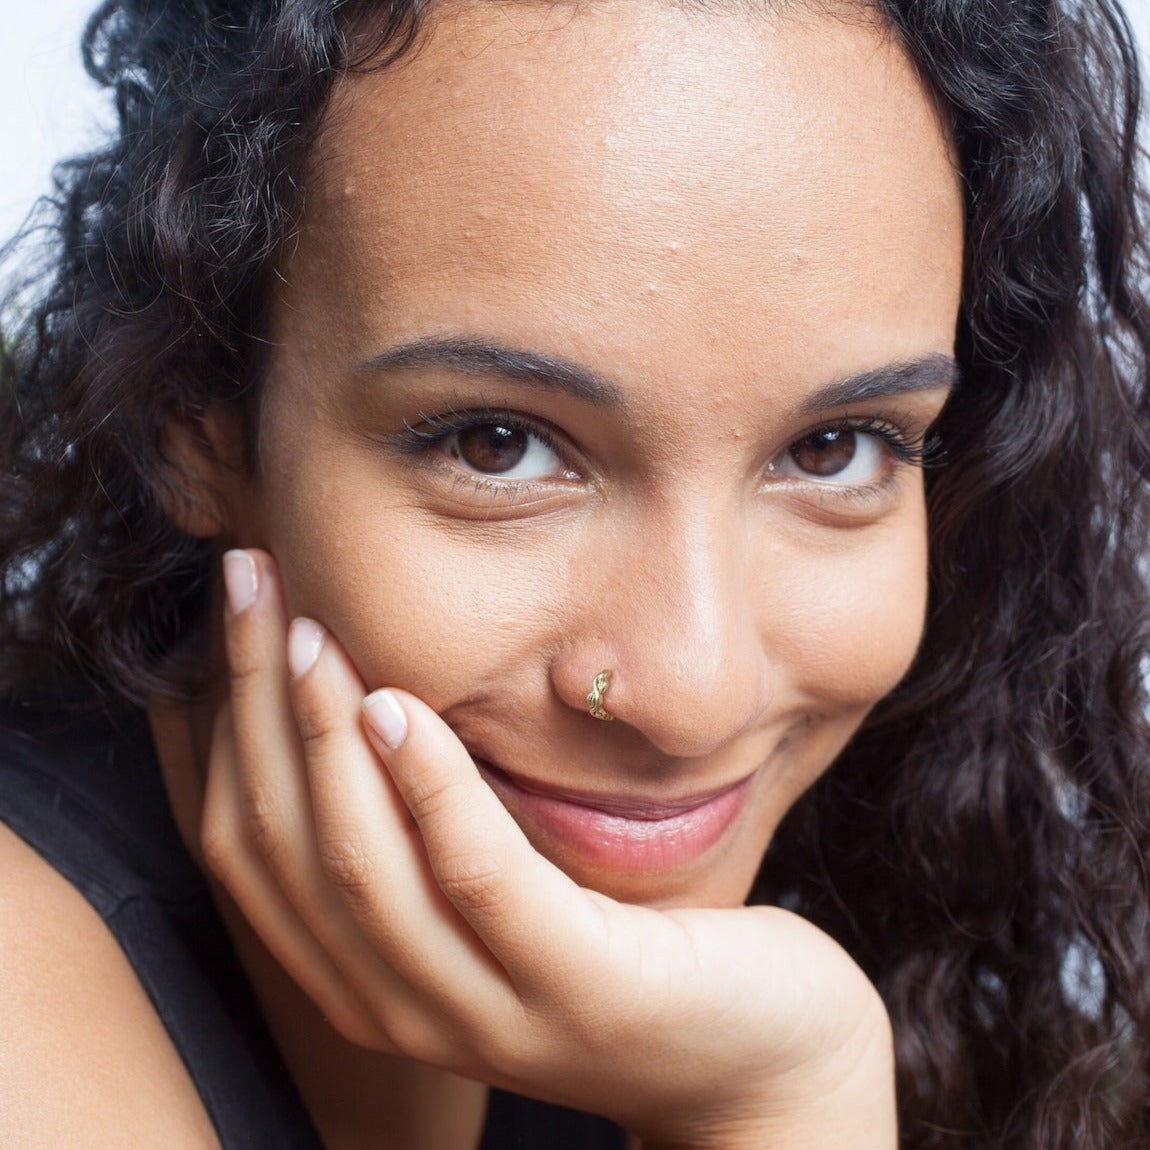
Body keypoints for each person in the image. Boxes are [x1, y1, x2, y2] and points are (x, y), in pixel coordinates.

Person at [1, 0, 1148, 1146]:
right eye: (497, 445)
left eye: (834, 447)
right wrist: (785, 1099)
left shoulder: (699, 962)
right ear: (192, 424)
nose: (694, 696)